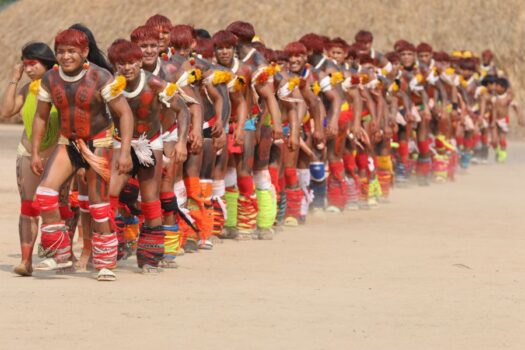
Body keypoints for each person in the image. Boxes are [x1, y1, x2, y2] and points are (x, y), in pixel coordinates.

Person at [31, 28, 134, 281]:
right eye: (61, 52)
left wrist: (124, 152)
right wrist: (35, 152)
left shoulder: (101, 77)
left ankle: (105, 262)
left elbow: (125, 114)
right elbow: (41, 116)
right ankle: (60, 254)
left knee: (98, 205)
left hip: (99, 141)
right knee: (45, 195)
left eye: (72, 51)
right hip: (69, 142)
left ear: (85, 52)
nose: (66, 56)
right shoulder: (50, 79)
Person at [107, 39, 189, 271]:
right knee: (110, 195)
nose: (128, 67)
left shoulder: (154, 83)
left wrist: (181, 141)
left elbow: (182, 108)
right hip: (119, 142)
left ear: (140, 61)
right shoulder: (109, 85)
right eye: (121, 63)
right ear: (114, 64)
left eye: (132, 62)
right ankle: (110, 246)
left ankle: (150, 256)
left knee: (151, 198)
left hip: (150, 143)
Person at [0, 42, 59, 276]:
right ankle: (26, 261)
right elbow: (6, 111)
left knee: (58, 206)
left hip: (56, 152)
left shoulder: (60, 86)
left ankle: (59, 255)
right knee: (28, 206)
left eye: (33, 63)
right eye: (25, 64)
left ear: (46, 64)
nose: (29, 68)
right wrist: (14, 79)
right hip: (28, 151)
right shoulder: (27, 88)